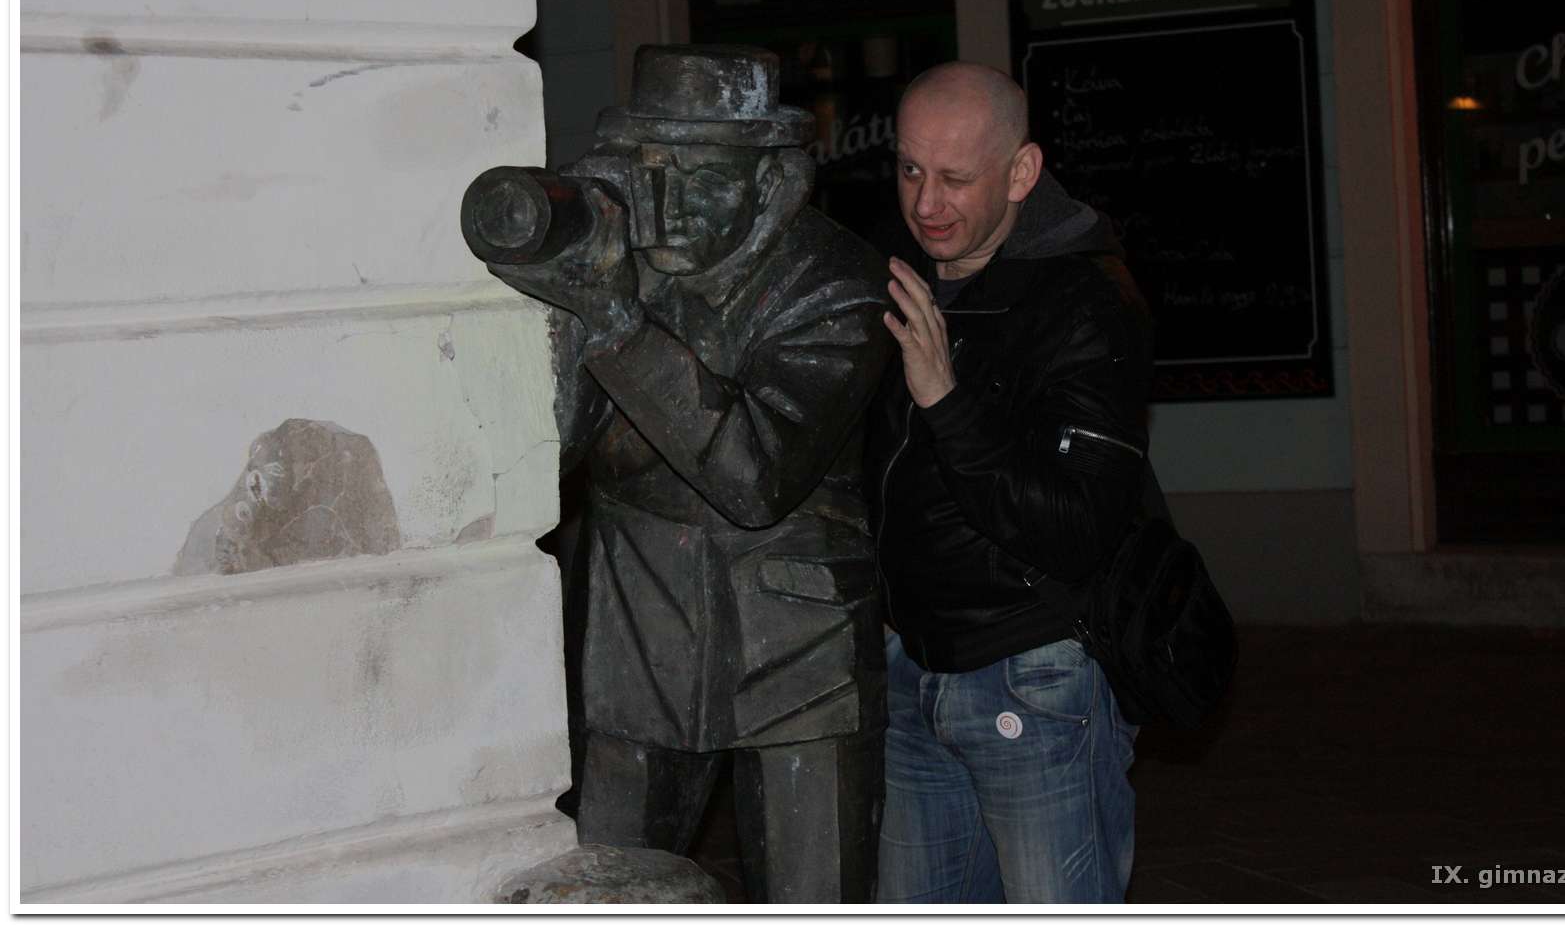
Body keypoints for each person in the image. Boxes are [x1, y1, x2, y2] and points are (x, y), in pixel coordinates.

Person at [463, 45, 891, 902]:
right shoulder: (624, 260)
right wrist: (564, 301)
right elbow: (535, 462)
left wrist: (616, 319)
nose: (673, 207)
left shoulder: (836, 282)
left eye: (706, 179)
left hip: (794, 648)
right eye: (653, 176)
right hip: (636, 631)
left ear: (774, 182)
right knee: (607, 894)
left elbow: (753, 479)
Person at [866, 61, 1154, 903]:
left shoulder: (1082, 302)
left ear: (1021, 172)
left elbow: (1074, 529)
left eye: (955, 178)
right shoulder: (902, 273)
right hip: (912, 668)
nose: (926, 201)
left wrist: (945, 400)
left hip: (1030, 680)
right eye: (909, 168)